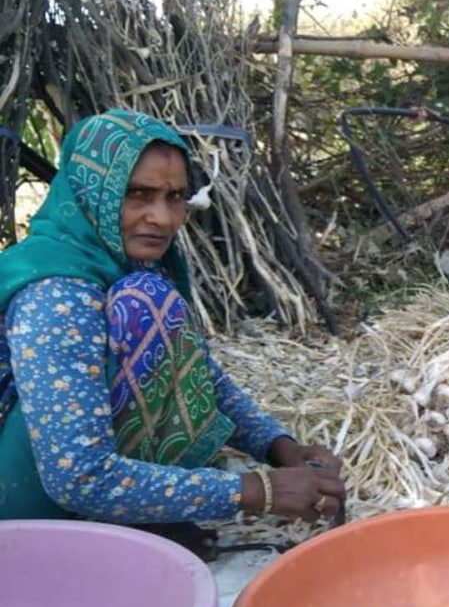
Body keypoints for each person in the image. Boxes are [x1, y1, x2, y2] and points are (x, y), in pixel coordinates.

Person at [0, 108, 345, 529]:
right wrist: (254, 491)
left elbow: (199, 373)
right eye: (137, 194)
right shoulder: (57, 292)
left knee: (147, 300)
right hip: (18, 506)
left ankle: (137, 511)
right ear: (92, 193)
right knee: (141, 303)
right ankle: (99, 531)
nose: (162, 219)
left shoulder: (132, 266)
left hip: (66, 481)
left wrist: (279, 447)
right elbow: (79, 476)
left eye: (175, 197)